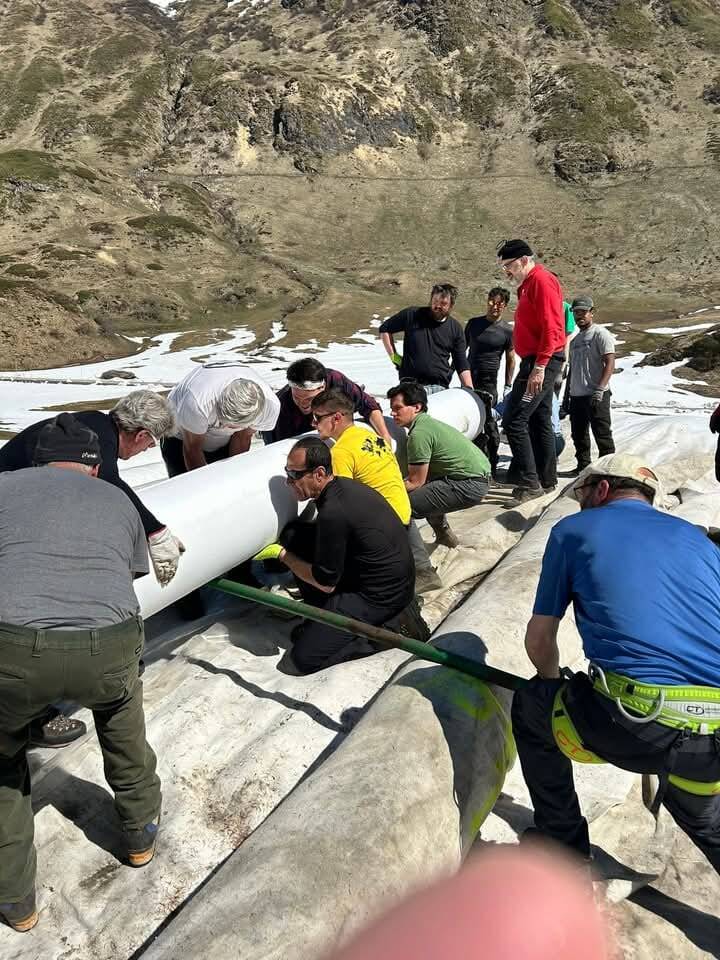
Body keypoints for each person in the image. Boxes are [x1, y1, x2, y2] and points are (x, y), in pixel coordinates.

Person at [511, 454, 720, 872]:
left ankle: (563, 847)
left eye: (582, 495)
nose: (581, 505)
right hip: (713, 732)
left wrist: (552, 685)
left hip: (637, 722)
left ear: (602, 489)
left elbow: (540, 639)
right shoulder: (698, 539)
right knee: (703, 819)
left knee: (533, 705)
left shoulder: (573, 531)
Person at [0, 415, 162, 933]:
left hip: (15, 653)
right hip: (108, 648)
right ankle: (139, 835)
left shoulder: (4, 487)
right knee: (122, 722)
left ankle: (16, 901)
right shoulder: (118, 499)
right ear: (95, 467)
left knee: (2, 758)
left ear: (37, 461)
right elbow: (128, 573)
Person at [0, 391, 182, 749]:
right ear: (142, 434)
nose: (144, 452)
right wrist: (155, 531)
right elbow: (109, 484)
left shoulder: (94, 425)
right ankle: (31, 714)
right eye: (149, 446)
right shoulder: (94, 435)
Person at [254, 438, 416, 673]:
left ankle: (382, 635)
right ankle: (322, 620)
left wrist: (283, 556)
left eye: (294, 475)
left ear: (319, 474)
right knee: (293, 536)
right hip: (383, 574)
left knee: (299, 661)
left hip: (379, 597)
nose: (288, 481)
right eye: (287, 473)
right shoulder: (343, 488)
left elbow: (325, 582)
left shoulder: (333, 511)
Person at [310, 389, 442, 591]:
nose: (313, 424)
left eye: (317, 418)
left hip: (383, 529)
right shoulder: (371, 436)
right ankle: (424, 571)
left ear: (336, 418)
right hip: (403, 513)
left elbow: (340, 503)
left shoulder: (340, 452)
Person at [496, 240, 566, 504]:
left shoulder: (541, 281)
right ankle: (546, 480)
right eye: (504, 267)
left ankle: (530, 483)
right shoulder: (528, 285)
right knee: (539, 418)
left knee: (515, 420)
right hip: (536, 359)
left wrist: (540, 367)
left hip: (540, 361)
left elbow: (553, 327)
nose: (507, 271)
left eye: (509, 265)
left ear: (524, 260)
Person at [387, 381, 491, 549]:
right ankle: (445, 537)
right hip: (478, 477)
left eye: (398, 408)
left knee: (400, 504)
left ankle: (418, 559)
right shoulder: (429, 423)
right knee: (429, 490)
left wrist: (382, 491)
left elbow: (415, 482)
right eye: (391, 408)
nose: (392, 413)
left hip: (469, 484)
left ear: (417, 407)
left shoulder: (419, 434)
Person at [161, 361, 280, 475]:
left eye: (234, 426)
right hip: (180, 437)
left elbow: (242, 437)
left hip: (223, 441)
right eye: (225, 422)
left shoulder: (270, 406)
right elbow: (192, 449)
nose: (227, 427)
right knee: (186, 484)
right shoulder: (197, 402)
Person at [264, 357, 391, 444]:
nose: (303, 404)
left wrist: (385, 436)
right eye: (297, 398)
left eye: (309, 399)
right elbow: (275, 446)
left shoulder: (336, 381)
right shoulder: (280, 405)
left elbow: (368, 405)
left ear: (323, 387)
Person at [379, 284, 474, 393]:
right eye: (435, 301)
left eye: (443, 303)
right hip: (410, 385)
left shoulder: (456, 328)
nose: (437, 306)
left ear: (451, 305)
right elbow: (385, 329)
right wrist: (394, 356)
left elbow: (461, 363)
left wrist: (470, 389)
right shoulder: (412, 314)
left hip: (439, 387)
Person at [563, 297, 616, 474]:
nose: (579, 316)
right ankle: (583, 467)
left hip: (596, 394)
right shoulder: (575, 341)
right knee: (579, 435)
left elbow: (610, 362)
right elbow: (572, 370)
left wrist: (600, 389)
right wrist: (567, 396)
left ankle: (607, 470)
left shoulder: (600, 334)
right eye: (576, 312)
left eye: (583, 312)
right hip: (577, 396)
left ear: (591, 312)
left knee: (602, 433)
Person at [464, 287, 515, 405]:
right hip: (469, 378)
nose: (495, 307)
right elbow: (460, 350)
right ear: (487, 301)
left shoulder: (508, 330)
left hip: (489, 382)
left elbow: (511, 359)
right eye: (492, 302)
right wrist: (450, 372)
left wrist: (508, 386)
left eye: (499, 304)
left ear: (505, 306)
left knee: (487, 413)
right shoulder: (473, 323)